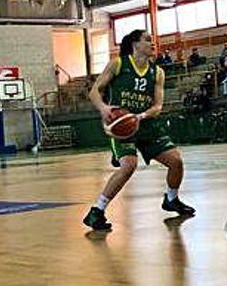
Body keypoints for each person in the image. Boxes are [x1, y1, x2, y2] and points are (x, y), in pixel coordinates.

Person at [83, 30, 195, 231]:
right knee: (128, 166)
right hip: (121, 126)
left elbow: (158, 106)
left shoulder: (157, 72)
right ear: (135, 44)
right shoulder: (119, 64)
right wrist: (103, 108)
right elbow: (94, 91)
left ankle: (171, 199)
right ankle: (96, 211)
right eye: (148, 40)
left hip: (146, 124)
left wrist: (140, 117)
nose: (153, 43)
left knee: (176, 161)